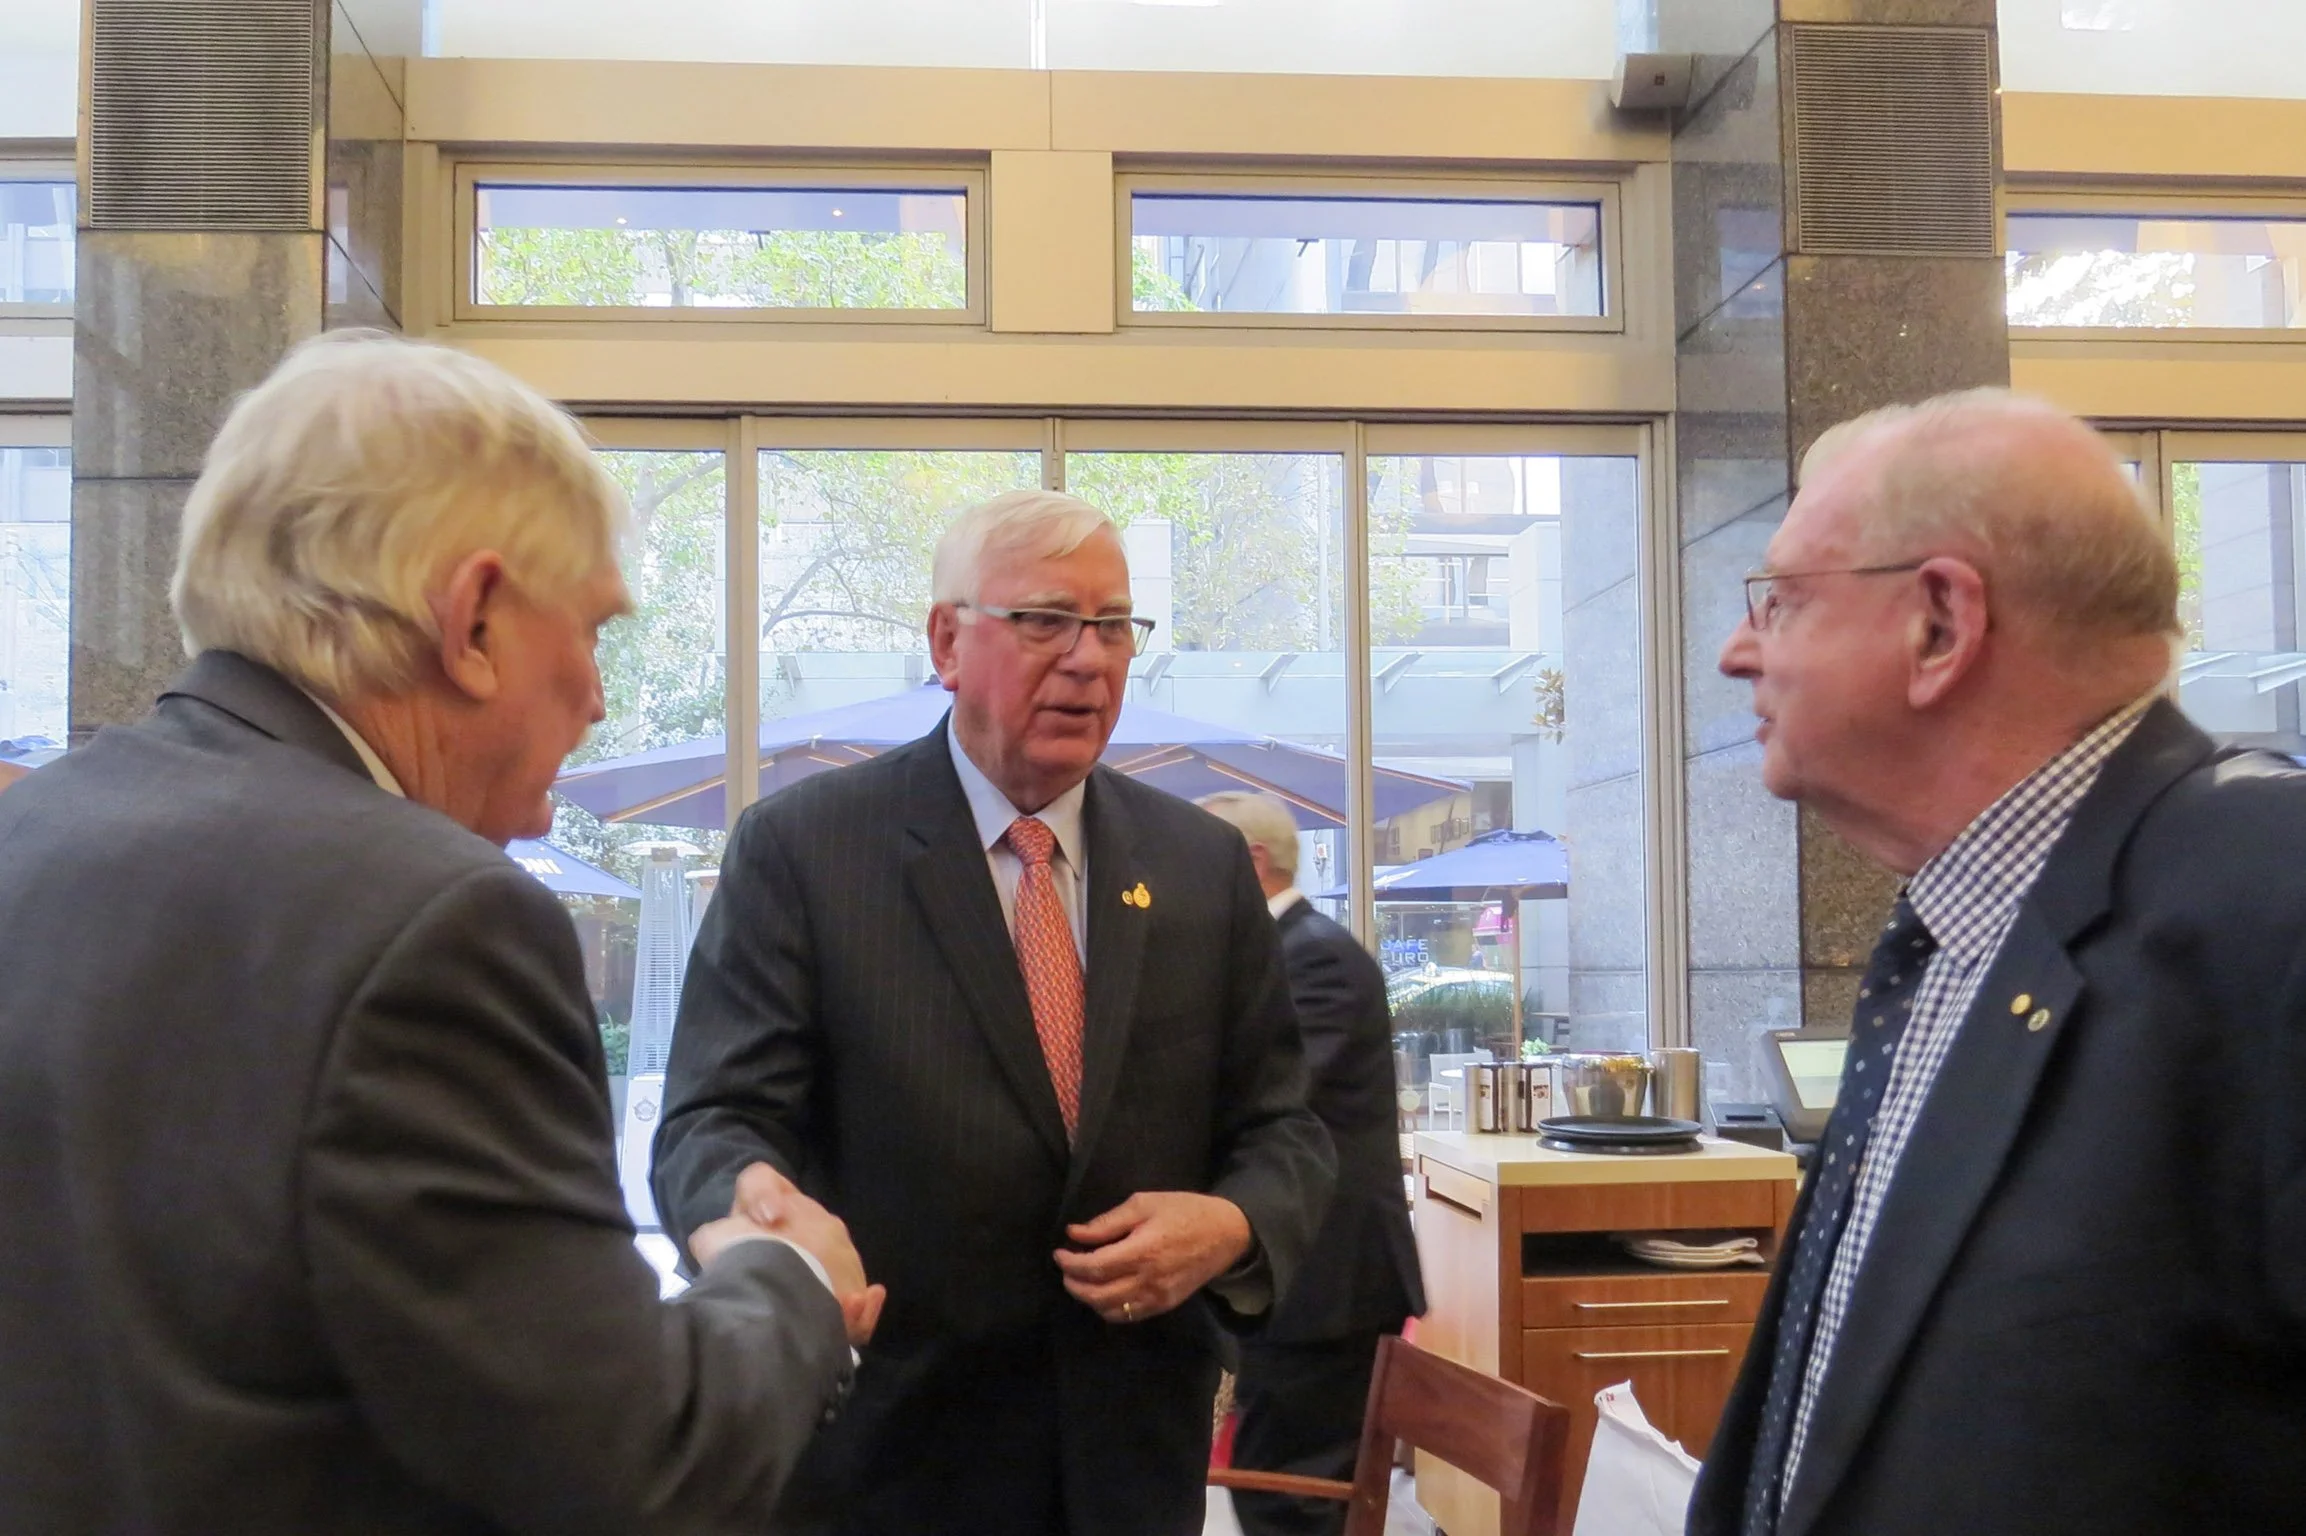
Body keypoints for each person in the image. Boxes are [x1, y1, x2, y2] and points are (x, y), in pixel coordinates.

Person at [0, 332, 881, 1535]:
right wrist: (792, 1286)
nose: (601, 696)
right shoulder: (436, 921)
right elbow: (627, 1469)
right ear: (470, 623)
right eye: (592, 630)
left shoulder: (36, 833)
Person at [653, 489, 1336, 1536]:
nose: (1087, 658)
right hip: (884, 1464)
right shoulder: (806, 850)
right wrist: (759, 1219)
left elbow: (1284, 1128)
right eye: (1044, 621)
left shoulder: (1198, 865)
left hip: (1127, 1466)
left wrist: (1231, 1225)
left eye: (1112, 626)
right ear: (945, 639)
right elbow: (711, 1121)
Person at [1688, 389, 2306, 1536]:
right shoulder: (1954, 933)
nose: (1736, 653)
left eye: (1778, 602)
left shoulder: (2270, 917)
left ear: (1937, 624)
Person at [1197, 790, 1424, 1536]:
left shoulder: (1315, 957)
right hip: (1299, 1282)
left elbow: (1267, 1098)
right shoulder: (1279, 951)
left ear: (1251, 861)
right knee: (1275, 1487)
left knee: (1294, 1497)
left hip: (1332, 1286)